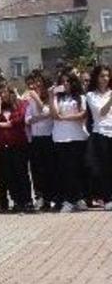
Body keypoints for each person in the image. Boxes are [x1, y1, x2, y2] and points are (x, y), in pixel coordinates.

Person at [49, 71, 89, 212]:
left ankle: (78, 198)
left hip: (77, 137)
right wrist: (51, 96)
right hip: (60, 137)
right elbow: (54, 115)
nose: (65, 84)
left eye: (68, 81)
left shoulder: (81, 97)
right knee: (65, 170)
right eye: (63, 82)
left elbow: (83, 114)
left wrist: (65, 118)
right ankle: (70, 200)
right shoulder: (57, 98)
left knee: (76, 169)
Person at [0, 85, 34, 212]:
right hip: (2, 146)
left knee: (21, 173)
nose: (2, 95)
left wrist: (2, 124)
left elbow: (19, 120)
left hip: (18, 145)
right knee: (9, 175)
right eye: (0, 93)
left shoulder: (20, 105)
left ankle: (27, 200)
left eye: (4, 93)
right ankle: (17, 201)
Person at [24, 70, 55, 210]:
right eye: (35, 82)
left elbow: (49, 112)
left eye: (39, 82)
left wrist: (37, 99)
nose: (36, 85)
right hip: (36, 138)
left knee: (50, 169)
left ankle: (51, 197)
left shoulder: (50, 96)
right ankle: (40, 197)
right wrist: (40, 117)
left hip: (49, 136)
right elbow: (27, 119)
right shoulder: (30, 99)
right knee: (37, 170)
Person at [85, 65, 112, 209]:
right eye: (102, 76)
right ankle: (107, 199)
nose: (105, 79)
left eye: (107, 75)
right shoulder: (91, 95)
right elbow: (101, 113)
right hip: (101, 133)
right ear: (96, 77)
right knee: (105, 167)